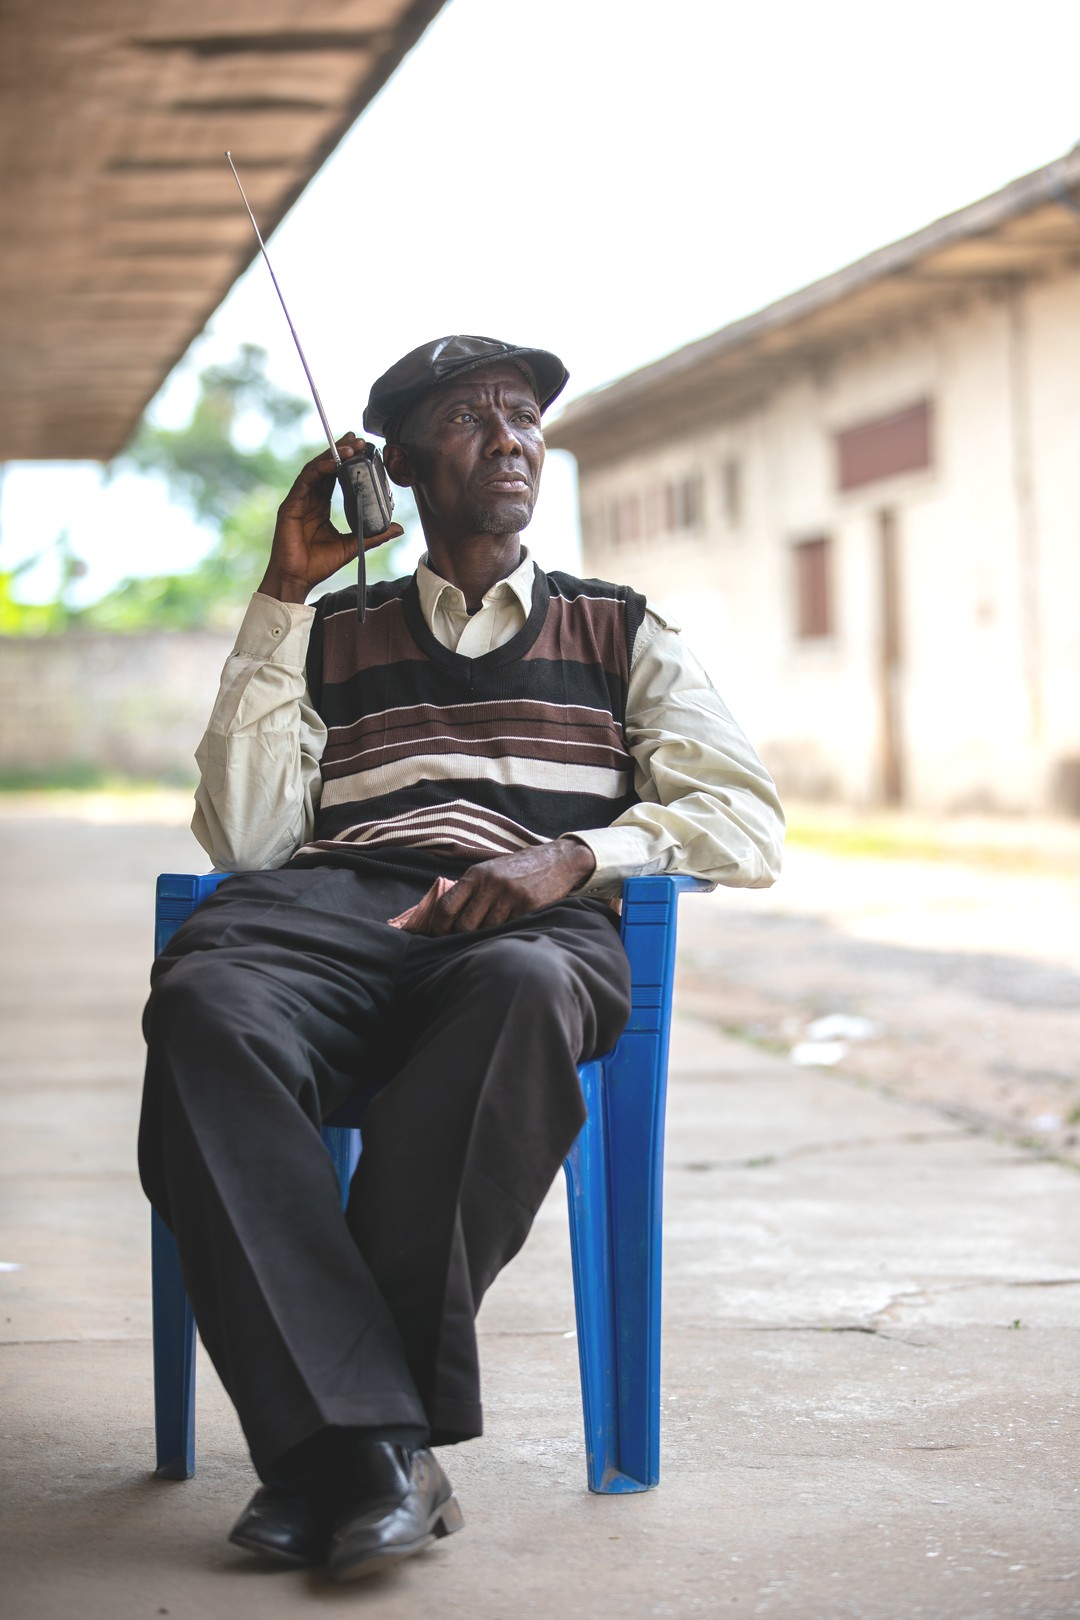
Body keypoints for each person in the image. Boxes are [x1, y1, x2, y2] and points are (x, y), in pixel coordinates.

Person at [138, 335, 783, 1582]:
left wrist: (572, 861)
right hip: (335, 907)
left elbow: (743, 821)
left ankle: (327, 1455)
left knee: (529, 990)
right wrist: (281, 595)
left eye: (525, 419)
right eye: (473, 420)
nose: (511, 440)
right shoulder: (330, 632)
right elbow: (248, 834)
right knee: (206, 1002)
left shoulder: (619, 626)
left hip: (530, 917)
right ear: (402, 466)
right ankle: (371, 1453)